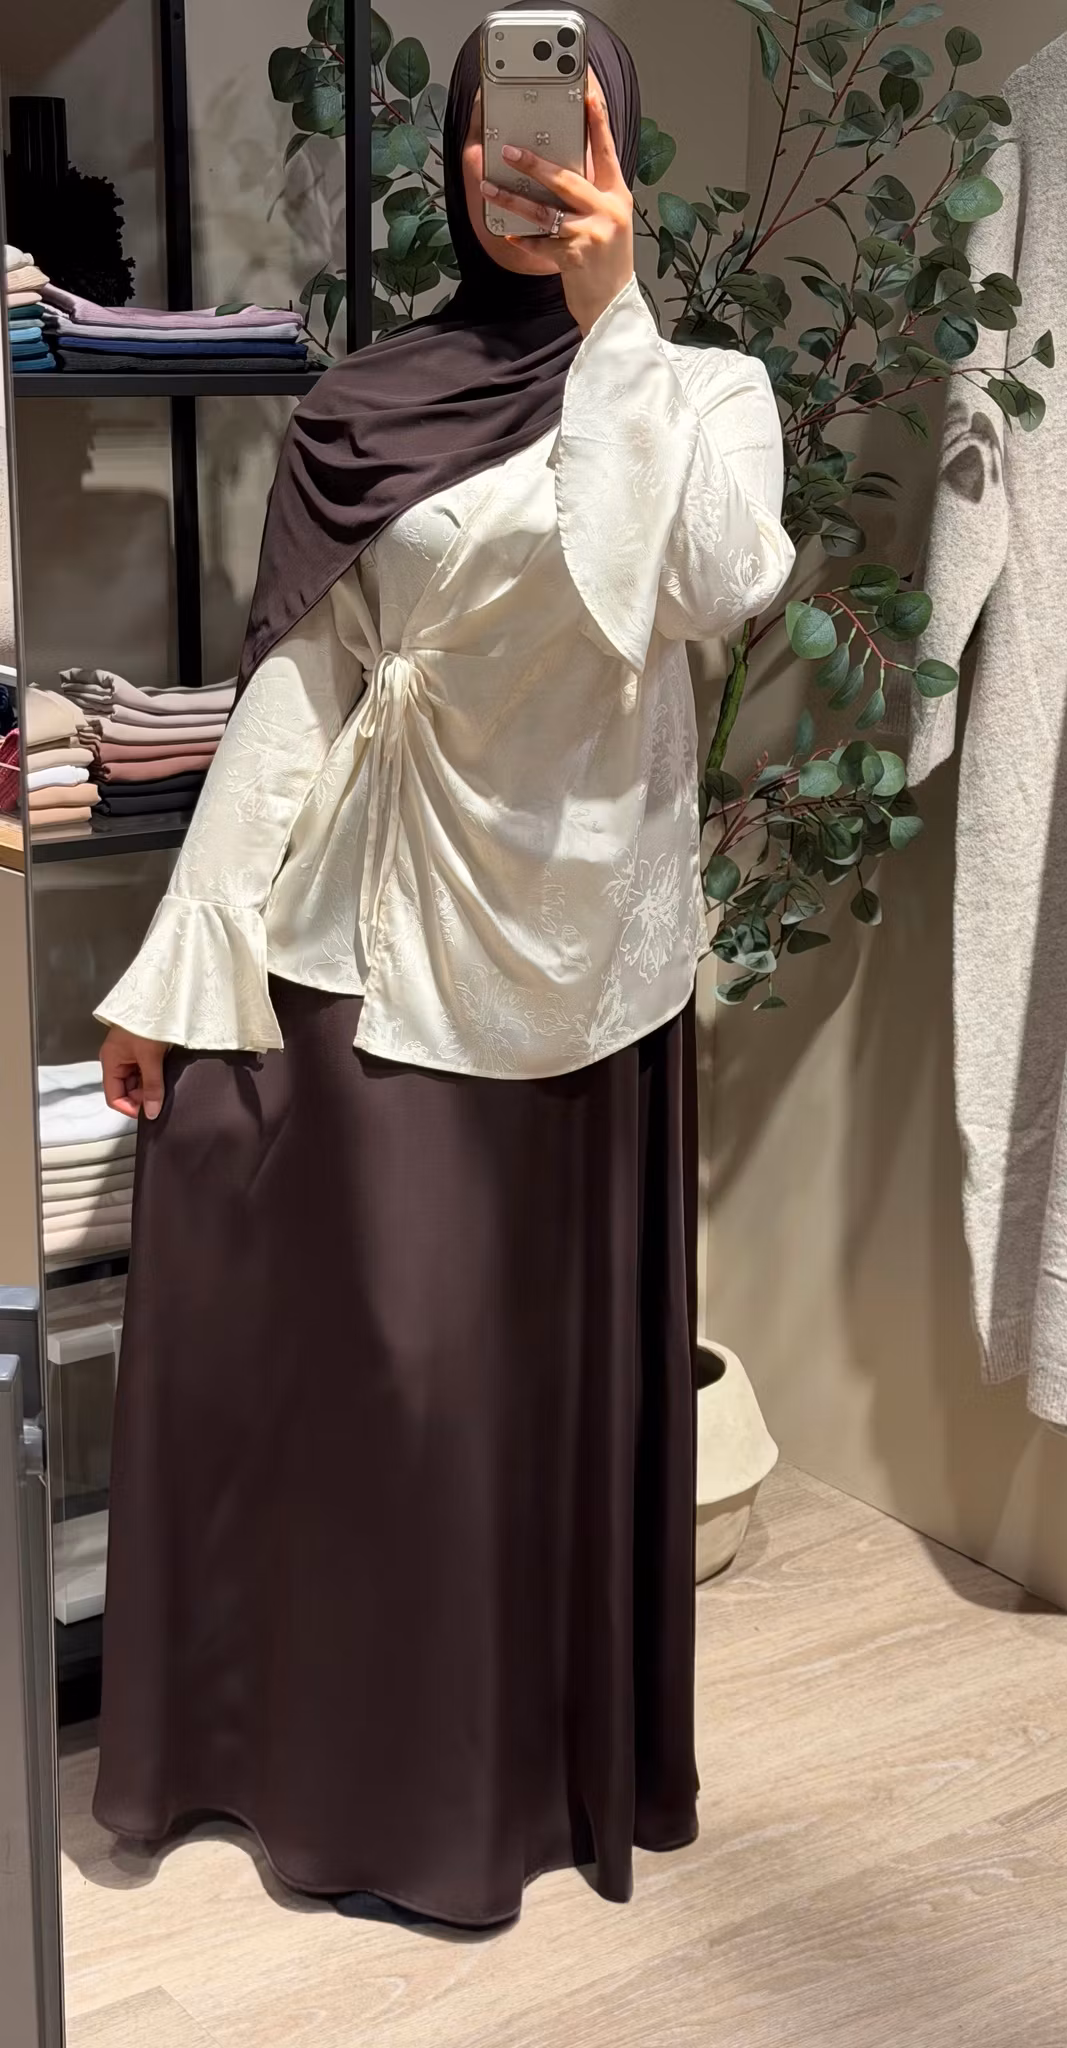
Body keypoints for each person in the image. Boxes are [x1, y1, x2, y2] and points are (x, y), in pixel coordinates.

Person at [91, 5, 794, 1928]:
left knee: (501, 1410)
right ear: (450, 155)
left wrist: (617, 317)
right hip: (366, 929)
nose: (523, 160)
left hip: (577, 983)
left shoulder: (705, 389)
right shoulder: (365, 406)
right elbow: (304, 695)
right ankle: (327, 1781)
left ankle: (501, 1791)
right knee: (380, 1381)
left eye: (560, 121)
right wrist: (174, 966)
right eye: (493, 125)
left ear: (616, 137)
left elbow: (697, 588)